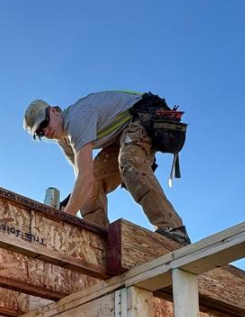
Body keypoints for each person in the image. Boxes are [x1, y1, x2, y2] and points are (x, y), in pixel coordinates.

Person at [23, 91, 191, 246]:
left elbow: (84, 178)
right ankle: (100, 242)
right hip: (119, 137)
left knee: (129, 161)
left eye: (44, 123)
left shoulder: (77, 118)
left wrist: (65, 218)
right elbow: (84, 179)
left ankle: (174, 230)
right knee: (91, 188)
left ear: (53, 111)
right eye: (40, 133)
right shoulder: (65, 142)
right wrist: (69, 207)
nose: (45, 131)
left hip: (141, 117)